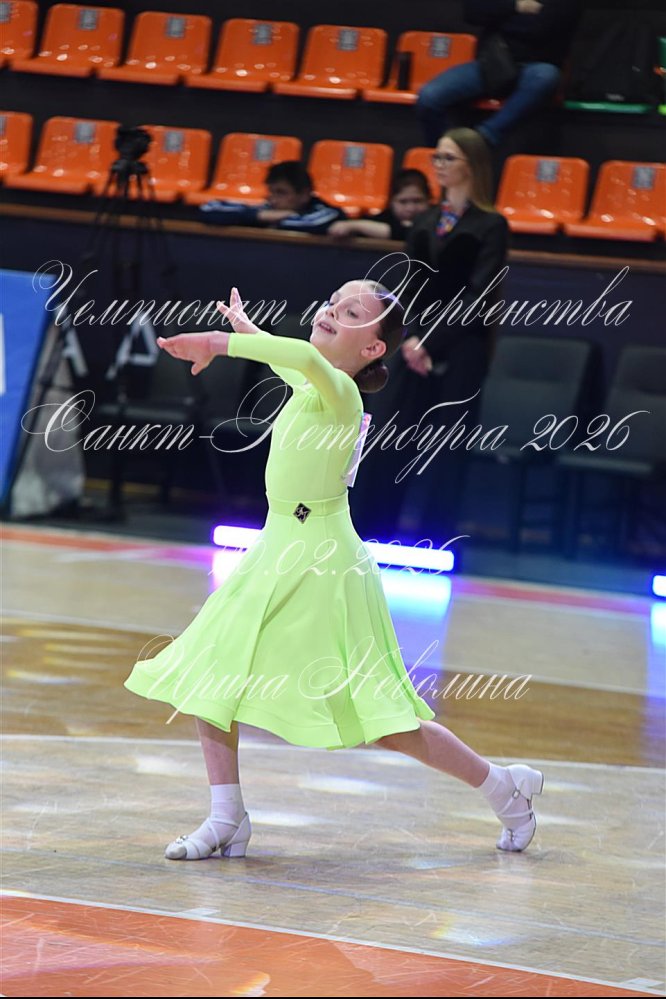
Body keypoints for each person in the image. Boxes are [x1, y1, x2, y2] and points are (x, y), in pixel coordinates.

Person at [123, 280, 544, 862]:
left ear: (373, 348)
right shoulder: (313, 381)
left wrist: (220, 343)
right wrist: (248, 330)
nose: (329, 311)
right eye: (331, 302)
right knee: (210, 673)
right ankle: (226, 817)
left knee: (382, 720)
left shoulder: (341, 391)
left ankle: (503, 788)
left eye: (351, 312)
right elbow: (292, 361)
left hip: (324, 564)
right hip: (277, 550)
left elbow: (298, 358)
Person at [350, 127, 509, 547]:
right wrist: (409, 338)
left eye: (448, 158)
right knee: (388, 436)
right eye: (436, 157)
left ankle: (435, 543)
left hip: (462, 345)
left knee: (445, 449)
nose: (438, 165)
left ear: (472, 165)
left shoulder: (491, 225)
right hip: (412, 343)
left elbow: (480, 295)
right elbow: (409, 286)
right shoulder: (424, 221)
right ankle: (370, 536)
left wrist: (429, 342)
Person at [416, 0, 580, 148]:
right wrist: (516, 6)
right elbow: (472, 12)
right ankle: (445, 154)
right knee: (429, 97)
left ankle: (481, 139)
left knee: (547, 76)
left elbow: (542, 26)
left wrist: (498, 15)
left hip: (535, 68)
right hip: (493, 65)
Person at [199, 160, 347, 234]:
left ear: (303, 195)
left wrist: (275, 220)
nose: (273, 199)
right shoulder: (267, 209)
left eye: (281, 192)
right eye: (271, 192)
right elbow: (209, 208)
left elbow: (311, 224)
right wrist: (260, 216)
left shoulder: (327, 213)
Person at [328, 169, 433, 242]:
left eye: (417, 201)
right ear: (391, 202)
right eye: (403, 202)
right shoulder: (385, 217)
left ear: (429, 200)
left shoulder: (436, 219)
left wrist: (356, 226)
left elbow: (404, 233)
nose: (410, 208)